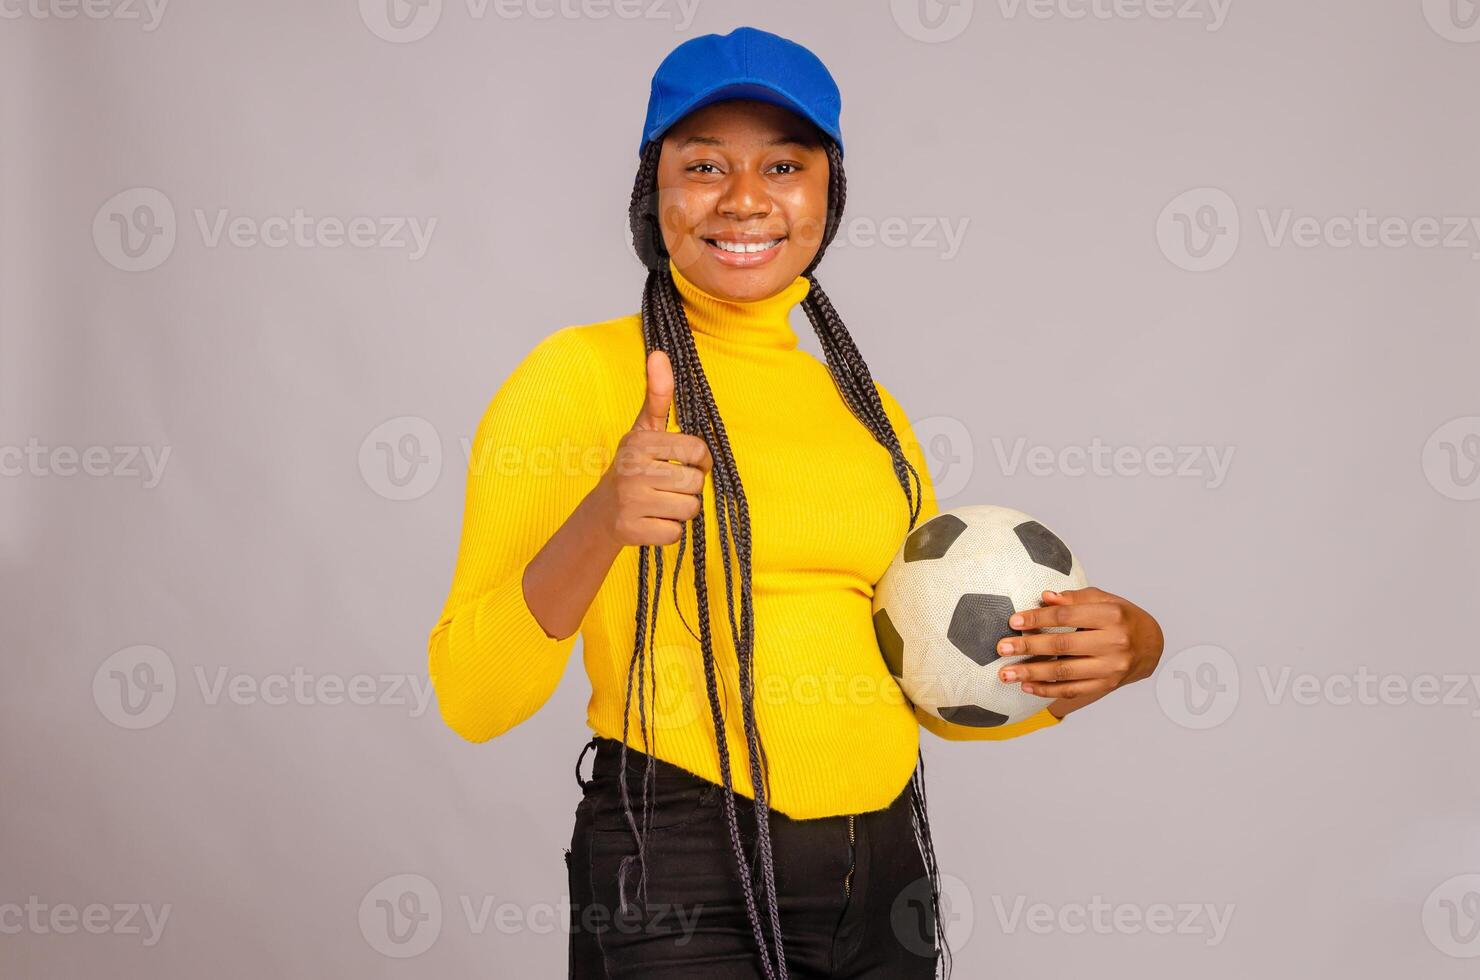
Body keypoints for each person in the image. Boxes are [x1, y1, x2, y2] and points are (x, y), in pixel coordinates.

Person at [427, 26, 1166, 979]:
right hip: (682, 869)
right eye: (704, 165)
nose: (744, 200)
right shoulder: (576, 379)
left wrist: (1104, 655)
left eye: (784, 163)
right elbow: (472, 696)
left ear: (829, 191)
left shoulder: (870, 414)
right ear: (654, 193)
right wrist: (601, 522)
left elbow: (927, 690)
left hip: (884, 869)